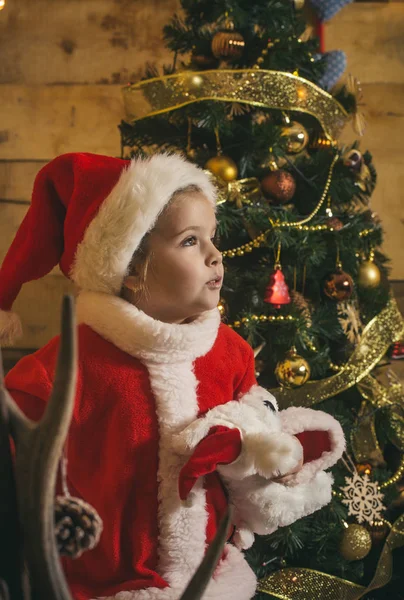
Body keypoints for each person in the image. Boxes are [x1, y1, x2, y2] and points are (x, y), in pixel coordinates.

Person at [0, 152, 345, 600]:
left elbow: (249, 445)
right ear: (129, 269)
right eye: (189, 241)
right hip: (100, 588)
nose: (215, 255)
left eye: (212, 237)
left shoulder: (230, 352)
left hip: (215, 580)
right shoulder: (65, 369)